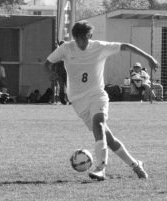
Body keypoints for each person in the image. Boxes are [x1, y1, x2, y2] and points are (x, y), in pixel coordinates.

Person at [44, 21, 158, 181]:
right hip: (77, 101)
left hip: (97, 95)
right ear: (73, 38)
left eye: (84, 39)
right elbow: (47, 63)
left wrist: (149, 57)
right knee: (108, 138)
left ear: (89, 36)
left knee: (98, 124)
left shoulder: (100, 46)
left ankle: (101, 168)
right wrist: (51, 75)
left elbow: (125, 46)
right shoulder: (66, 48)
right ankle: (136, 164)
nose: (81, 43)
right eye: (78, 39)